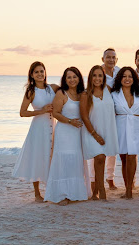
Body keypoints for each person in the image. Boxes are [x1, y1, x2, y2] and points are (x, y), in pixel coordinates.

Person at [13, 61, 59, 202]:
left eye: (42, 71)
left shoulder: (53, 88)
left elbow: (69, 93)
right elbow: (22, 112)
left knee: (52, 156)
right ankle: (37, 193)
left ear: (45, 72)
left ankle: (53, 190)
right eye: (36, 72)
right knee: (37, 156)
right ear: (32, 75)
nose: (40, 74)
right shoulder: (31, 91)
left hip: (53, 125)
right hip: (38, 127)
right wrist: (41, 111)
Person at [45, 67, 91, 205]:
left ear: (79, 78)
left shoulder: (82, 94)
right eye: (69, 77)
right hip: (65, 131)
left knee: (75, 160)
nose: (72, 80)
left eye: (74, 76)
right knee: (63, 160)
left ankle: (74, 193)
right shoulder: (61, 93)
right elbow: (56, 113)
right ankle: (62, 194)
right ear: (65, 80)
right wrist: (70, 121)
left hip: (77, 133)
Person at [80, 65, 119, 201]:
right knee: (100, 158)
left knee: (101, 159)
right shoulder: (85, 94)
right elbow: (84, 117)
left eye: (100, 76)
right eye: (94, 76)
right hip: (92, 131)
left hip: (107, 130)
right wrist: (95, 134)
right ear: (90, 78)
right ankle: (101, 189)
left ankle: (95, 190)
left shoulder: (108, 90)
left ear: (104, 78)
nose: (97, 78)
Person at [111, 67, 139, 199]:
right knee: (124, 158)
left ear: (134, 79)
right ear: (120, 78)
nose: (127, 79)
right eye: (124, 76)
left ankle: (130, 189)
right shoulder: (114, 94)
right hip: (120, 126)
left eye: (130, 76)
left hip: (136, 126)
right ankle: (127, 188)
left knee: (132, 156)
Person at [94, 47, 119, 191]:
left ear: (116, 59)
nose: (110, 59)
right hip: (101, 114)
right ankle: (95, 180)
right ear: (102, 59)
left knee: (112, 148)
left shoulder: (118, 71)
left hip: (115, 114)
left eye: (113, 57)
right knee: (97, 148)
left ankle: (110, 178)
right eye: (108, 57)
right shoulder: (98, 73)